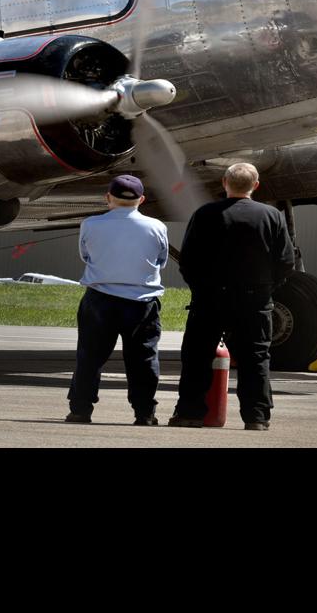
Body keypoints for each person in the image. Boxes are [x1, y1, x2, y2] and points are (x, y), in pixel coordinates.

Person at [169, 162, 296, 432]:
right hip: (254, 299)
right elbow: (286, 261)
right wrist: (266, 288)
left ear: (224, 182)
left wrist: (200, 288)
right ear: (256, 185)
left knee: (197, 356)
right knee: (256, 359)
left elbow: (188, 260)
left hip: (210, 298)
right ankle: (257, 417)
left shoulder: (205, 214)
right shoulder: (272, 216)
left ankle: (190, 413)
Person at [66, 174, 170, 426]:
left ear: (108, 197)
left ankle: (81, 409)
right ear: (141, 199)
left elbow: (85, 255)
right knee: (143, 359)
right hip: (141, 301)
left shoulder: (90, 224)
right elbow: (161, 259)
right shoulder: (157, 226)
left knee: (90, 357)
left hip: (101, 298)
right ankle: (144, 412)